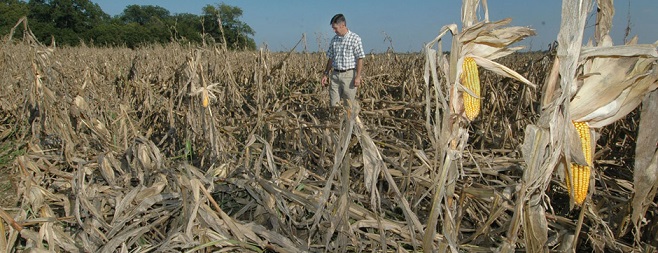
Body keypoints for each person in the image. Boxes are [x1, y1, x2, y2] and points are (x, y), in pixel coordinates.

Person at [321, 14, 365, 107]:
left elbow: (360, 58)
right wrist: (325, 74)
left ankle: (349, 121)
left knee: (348, 104)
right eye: (333, 28)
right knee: (334, 104)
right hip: (335, 75)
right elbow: (331, 58)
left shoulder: (355, 38)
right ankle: (335, 120)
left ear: (343, 25)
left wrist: (358, 76)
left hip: (349, 75)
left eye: (335, 28)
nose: (334, 30)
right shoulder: (334, 40)